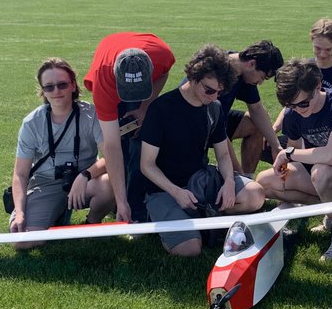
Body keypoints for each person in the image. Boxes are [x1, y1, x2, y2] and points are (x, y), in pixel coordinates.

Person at [139, 45, 266, 257]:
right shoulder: (161, 109)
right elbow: (147, 165)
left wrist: (227, 182)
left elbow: (223, 153)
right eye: (209, 90)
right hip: (164, 190)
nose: (215, 97)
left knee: (256, 194)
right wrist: (176, 192)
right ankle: (176, 221)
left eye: (221, 92)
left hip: (201, 180)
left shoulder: (214, 108)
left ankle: (200, 219)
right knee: (190, 249)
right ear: (193, 77)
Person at [256, 58, 332, 261]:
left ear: (318, 86)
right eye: (290, 105)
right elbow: (298, 155)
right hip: (320, 174)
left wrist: (286, 154)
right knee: (264, 182)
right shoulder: (291, 114)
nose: (297, 109)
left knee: (321, 171)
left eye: (303, 103)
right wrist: (287, 164)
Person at [9, 58, 114, 249]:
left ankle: (92, 224)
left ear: (73, 85)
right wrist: (20, 211)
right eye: (49, 87)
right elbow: (20, 174)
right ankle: (55, 214)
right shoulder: (31, 123)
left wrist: (85, 175)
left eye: (62, 84)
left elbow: (111, 158)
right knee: (22, 242)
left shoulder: (91, 114)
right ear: (42, 90)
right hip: (45, 183)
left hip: (84, 181)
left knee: (109, 183)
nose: (56, 91)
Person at [82, 32, 175, 223]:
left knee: (141, 143)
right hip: (108, 69)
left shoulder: (162, 55)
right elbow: (111, 146)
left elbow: (164, 73)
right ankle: (120, 201)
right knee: (120, 145)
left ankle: (137, 207)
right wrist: (121, 201)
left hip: (142, 53)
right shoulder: (104, 82)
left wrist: (144, 108)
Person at [268, 16, 332, 163]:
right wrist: (274, 128)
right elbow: (294, 103)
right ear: (311, 41)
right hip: (309, 133)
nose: (322, 54)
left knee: (319, 170)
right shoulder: (301, 71)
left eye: (329, 49)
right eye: (317, 48)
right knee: (270, 145)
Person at [213, 41, 285, 175]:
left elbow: (257, 109)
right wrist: (237, 173)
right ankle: (241, 182)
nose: (261, 83)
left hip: (217, 122)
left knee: (255, 124)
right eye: (262, 77)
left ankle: (247, 177)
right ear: (252, 63)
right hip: (194, 126)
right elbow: (218, 130)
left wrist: (276, 146)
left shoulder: (243, 72)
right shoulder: (217, 74)